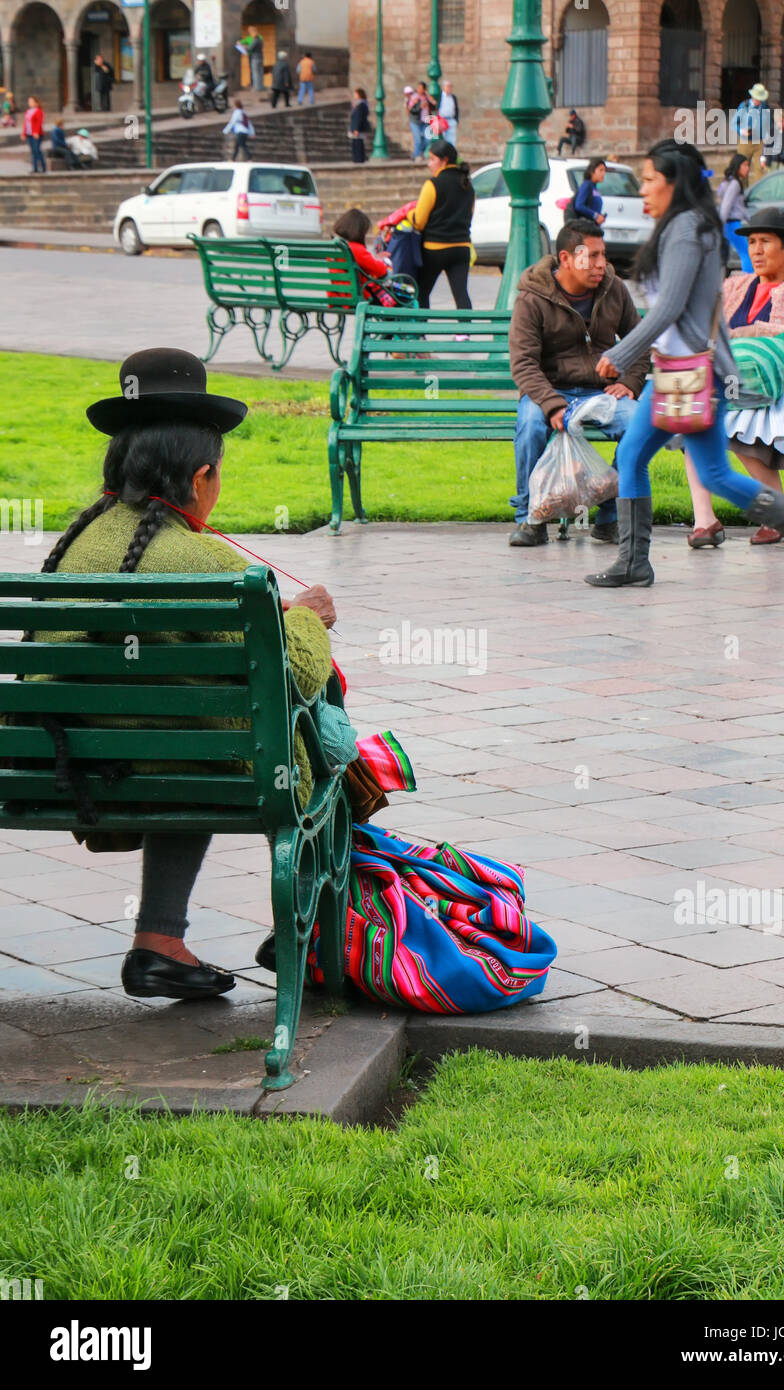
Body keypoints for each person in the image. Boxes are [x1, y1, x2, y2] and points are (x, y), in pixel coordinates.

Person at [24, 347, 551, 1010]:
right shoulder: (201, 562)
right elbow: (297, 674)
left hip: (74, 770)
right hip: (191, 767)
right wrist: (306, 619)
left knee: (186, 744)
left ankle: (160, 941)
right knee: (326, 752)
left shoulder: (77, 543)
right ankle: (303, 932)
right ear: (202, 474)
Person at [584, 139, 784, 589]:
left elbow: (672, 309)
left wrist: (619, 355)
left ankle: (635, 562)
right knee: (667, 462)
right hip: (683, 373)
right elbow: (707, 310)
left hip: (686, 375)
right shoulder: (692, 227)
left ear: (673, 183)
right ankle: (635, 561)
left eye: (649, 180)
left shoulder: (686, 230)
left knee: (662, 461)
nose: (642, 189)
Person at [684, 206, 784, 548]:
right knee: (692, 417)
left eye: (765, 241)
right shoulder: (735, 285)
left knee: (742, 424)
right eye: (751, 241)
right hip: (728, 380)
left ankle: (777, 515)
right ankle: (705, 521)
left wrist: (747, 332)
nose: (755, 249)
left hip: (781, 384)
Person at [508, 218, 650, 548]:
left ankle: (609, 516)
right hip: (549, 389)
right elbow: (523, 363)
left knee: (637, 425)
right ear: (566, 258)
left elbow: (640, 341)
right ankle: (531, 519)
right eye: (592, 256)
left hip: (600, 391)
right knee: (530, 426)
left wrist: (630, 381)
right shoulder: (533, 297)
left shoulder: (614, 289)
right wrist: (550, 403)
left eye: (604, 255)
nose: (602, 264)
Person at [410, 138, 475, 310]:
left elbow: (419, 221)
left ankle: (421, 333)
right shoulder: (468, 185)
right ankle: (464, 335)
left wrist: (410, 216)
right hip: (461, 247)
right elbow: (470, 215)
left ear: (444, 160)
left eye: (432, 159)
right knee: (461, 293)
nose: (429, 164)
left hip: (434, 248)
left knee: (422, 291)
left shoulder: (433, 184)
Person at [333, 207, 401, 306]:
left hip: (337, 295)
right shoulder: (355, 249)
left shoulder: (337, 247)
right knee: (406, 299)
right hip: (358, 298)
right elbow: (381, 271)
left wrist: (374, 258)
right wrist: (383, 262)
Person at [717, 153, 753, 273]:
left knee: (726, 256)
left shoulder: (729, 182)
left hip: (730, 224)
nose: (747, 168)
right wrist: (720, 225)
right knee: (746, 253)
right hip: (731, 224)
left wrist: (752, 221)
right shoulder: (735, 184)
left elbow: (740, 208)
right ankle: (749, 279)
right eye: (745, 165)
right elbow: (726, 206)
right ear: (737, 166)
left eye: (748, 165)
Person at [734, 82, 770, 177]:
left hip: (760, 142)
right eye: (758, 99)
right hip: (745, 142)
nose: (760, 101)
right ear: (753, 97)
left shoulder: (765, 106)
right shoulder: (744, 106)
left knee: (761, 169)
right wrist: (742, 131)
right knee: (743, 169)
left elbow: (768, 121)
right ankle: (743, 191)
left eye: (761, 99)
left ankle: (758, 191)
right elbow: (734, 123)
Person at [568, 157, 607, 226]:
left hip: (593, 226)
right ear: (592, 172)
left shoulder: (594, 187)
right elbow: (579, 205)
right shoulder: (586, 185)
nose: (603, 173)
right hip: (585, 227)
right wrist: (596, 215)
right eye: (601, 170)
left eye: (604, 171)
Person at [406, 81, 434, 161]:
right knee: (418, 139)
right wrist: (420, 107)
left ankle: (418, 153)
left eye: (421, 88)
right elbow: (411, 110)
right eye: (418, 88)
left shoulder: (427, 97)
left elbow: (434, 105)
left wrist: (428, 96)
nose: (419, 90)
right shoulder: (414, 97)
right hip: (415, 121)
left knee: (428, 139)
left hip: (425, 121)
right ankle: (416, 155)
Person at [21, 95, 45, 174]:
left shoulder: (39, 111)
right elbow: (26, 123)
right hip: (29, 134)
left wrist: (36, 132)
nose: (30, 103)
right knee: (33, 151)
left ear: (36, 103)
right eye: (29, 101)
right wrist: (24, 133)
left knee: (37, 150)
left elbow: (39, 123)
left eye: (31, 101)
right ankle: (35, 168)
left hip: (36, 134)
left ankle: (43, 167)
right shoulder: (28, 111)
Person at [349, 87, 370, 164]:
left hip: (358, 128)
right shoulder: (359, 104)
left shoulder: (361, 105)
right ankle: (357, 159)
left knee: (358, 144)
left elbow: (359, 117)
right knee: (356, 143)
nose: (354, 95)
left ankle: (359, 159)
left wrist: (356, 128)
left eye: (356, 93)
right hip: (356, 127)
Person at [438, 80, 458, 148]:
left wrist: (456, 119)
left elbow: (456, 108)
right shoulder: (440, 96)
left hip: (451, 119)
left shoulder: (453, 97)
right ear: (444, 87)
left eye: (451, 87)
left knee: (452, 138)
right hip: (442, 119)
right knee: (443, 138)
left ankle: (451, 154)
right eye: (448, 86)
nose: (450, 88)